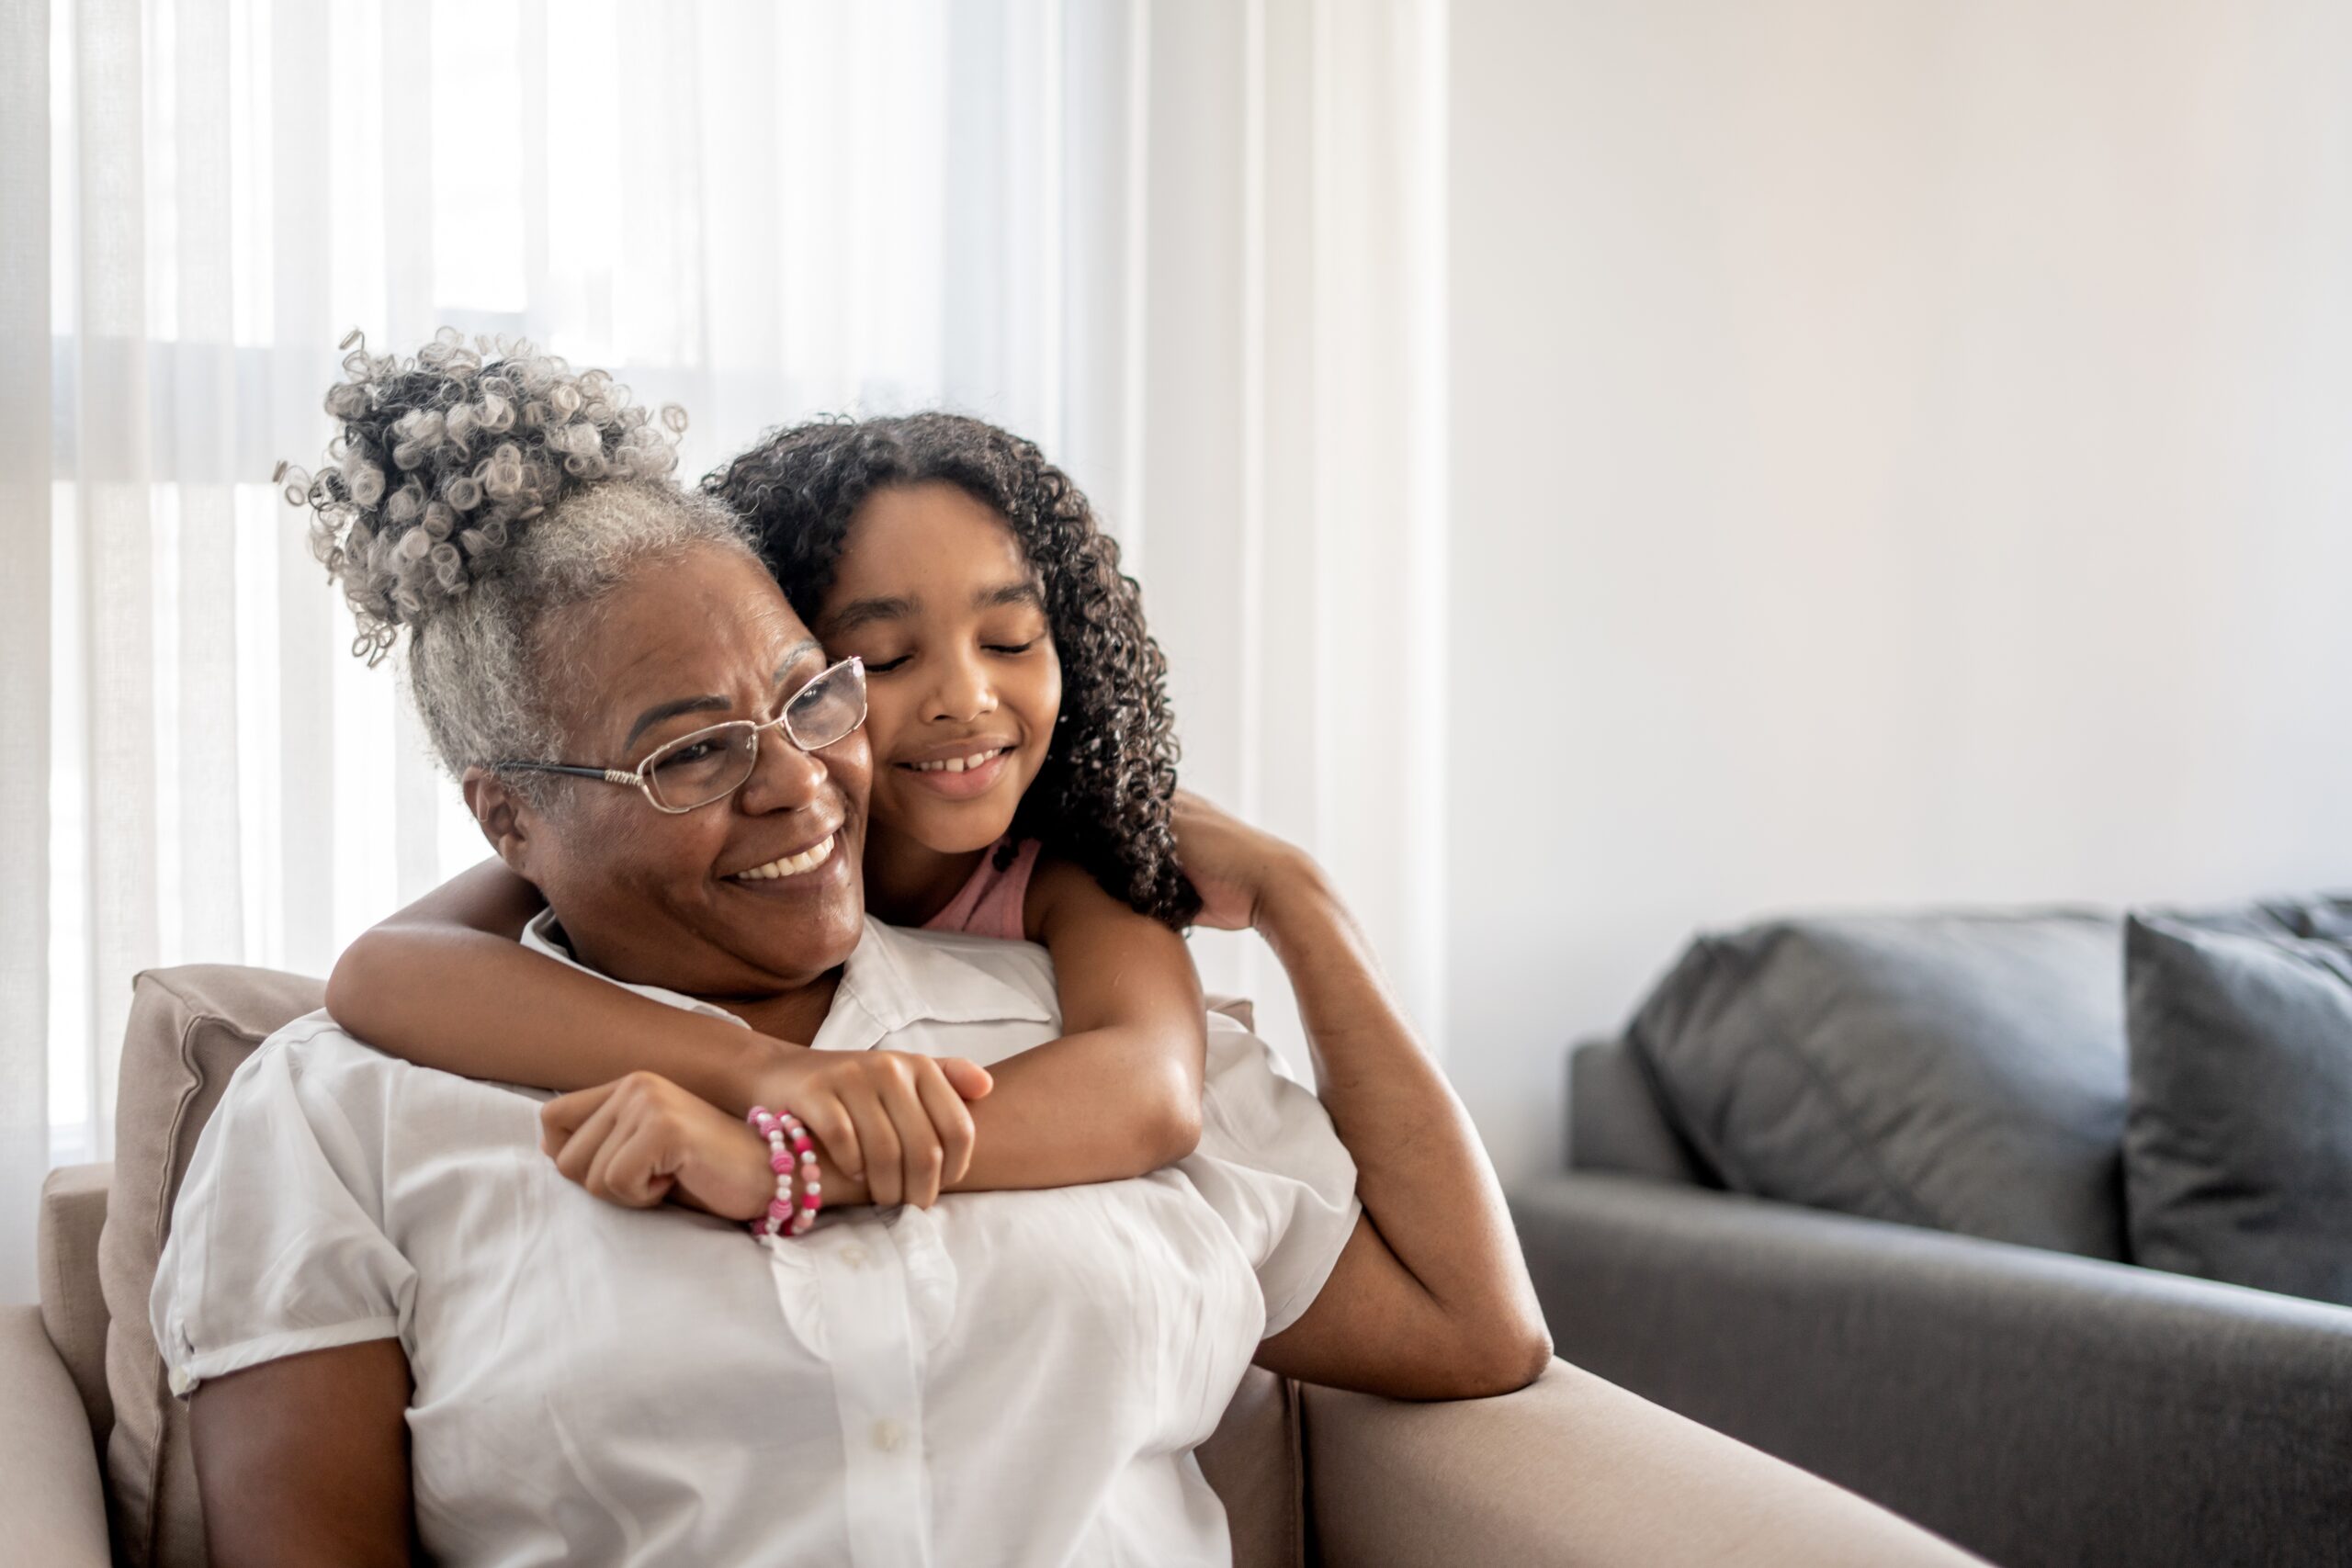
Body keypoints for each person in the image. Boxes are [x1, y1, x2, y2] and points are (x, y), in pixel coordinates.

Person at [153, 335, 1551, 1567]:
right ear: (509, 816)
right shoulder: (340, 1108)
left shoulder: (1071, 994)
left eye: (808, 701)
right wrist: (760, 1071)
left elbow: (1467, 1325)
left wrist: (1305, 903)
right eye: (692, 752)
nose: (799, 785)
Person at [324, 406, 1213, 1206]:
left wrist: (789, 1162)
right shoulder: (631, 846)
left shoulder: (1064, 863)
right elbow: (381, 969)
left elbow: (1153, 1087)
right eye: (889, 659)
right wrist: (764, 1072)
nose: (964, 700)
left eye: (1012, 639)